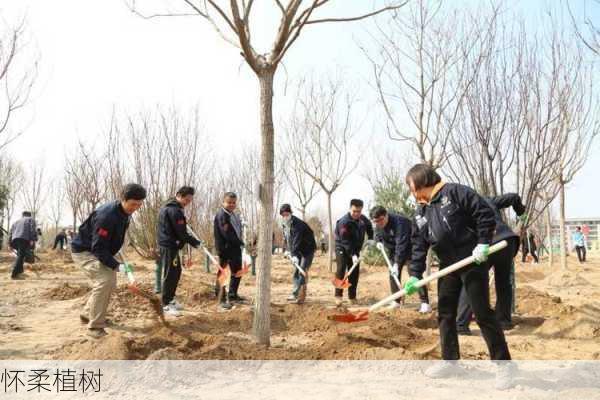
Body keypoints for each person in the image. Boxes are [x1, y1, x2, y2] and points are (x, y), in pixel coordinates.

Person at [402, 164, 513, 389]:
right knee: (445, 312)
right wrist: (414, 274)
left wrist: (482, 243)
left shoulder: (455, 192)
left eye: (410, 185)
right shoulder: (420, 211)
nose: (410, 190)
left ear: (420, 181)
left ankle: (504, 366)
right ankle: (450, 360)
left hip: (472, 260)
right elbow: (418, 245)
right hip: (447, 265)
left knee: (482, 313)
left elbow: (485, 214)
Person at [71, 183, 146, 338]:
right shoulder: (107, 216)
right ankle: (95, 328)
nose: (135, 208)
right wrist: (116, 265)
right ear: (123, 199)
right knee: (105, 280)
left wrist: (116, 256)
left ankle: (88, 313)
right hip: (85, 251)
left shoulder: (124, 213)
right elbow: (98, 248)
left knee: (110, 281)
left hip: (99, 250)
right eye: (133, 204)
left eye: (139, 205)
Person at [456, 193, 527, 335]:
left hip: (488, 242)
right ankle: (504, 321)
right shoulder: (486, 199)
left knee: (472, 281)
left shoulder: (459, 209)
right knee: (503, 282)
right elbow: (513, 197)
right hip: (507, 241)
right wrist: (521, 212)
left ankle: (461, 324)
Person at [370, 205, 431, 312]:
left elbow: (401, 244)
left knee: (414, 274)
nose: (379, 223)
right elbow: (377, 233)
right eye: (376, 221)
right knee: (393, 275)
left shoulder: (399, 222)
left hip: (410, 248)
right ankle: (396, 301)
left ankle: (425, 303)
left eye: (380, 220)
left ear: (386, 215)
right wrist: (378, 241)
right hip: (394, 250)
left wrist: (397, 263)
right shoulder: (378, 223)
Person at [157, 186, 202, 317]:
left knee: (176, 272)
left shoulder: (173, 208)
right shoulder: (174, 210)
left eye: (189, 200)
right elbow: (182, 233)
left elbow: (180, 230)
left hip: (172, 245)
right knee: (170, 273)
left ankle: (170, 299)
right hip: (169, 245)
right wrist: (196, 243)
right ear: (178, 195)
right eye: (186, 199)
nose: (187, 202)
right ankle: (165, 304)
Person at [334, 199, 374, 306]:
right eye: (354, 211)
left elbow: (370, 228)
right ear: (350, 209)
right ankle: (338, 295)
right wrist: (352, 255)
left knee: (354, 273)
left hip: (356, 248)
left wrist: (370, 239)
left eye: (359, 211)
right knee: (341, 269)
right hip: (341, 247)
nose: (356, 214)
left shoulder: (363, 219)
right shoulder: (344, 222)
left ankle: (352, 297)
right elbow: (345, 241)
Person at [280, 204, 317, 304]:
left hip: (307, 249)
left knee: (302, 270)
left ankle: (300, 295)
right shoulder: (284, 224)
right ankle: (296, 293)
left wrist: (294, 254)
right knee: (297, 270)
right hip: (298, 249)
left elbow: (296, 239)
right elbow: (288, 238)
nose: (285, 216)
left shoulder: (298, 224)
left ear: (291, 213)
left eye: (287, 214)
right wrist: (287, 250)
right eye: (283, 215)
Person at [214, 192, 245, 310]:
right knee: (223, 274)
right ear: (223, 202)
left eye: (233, 203)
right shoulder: (222, 215)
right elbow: (228, 234)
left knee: (238, 272)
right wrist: (241, 243)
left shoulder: (234, 215)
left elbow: (237, 230)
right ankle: (220, 299)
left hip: (236, 248)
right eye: (229, 202)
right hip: (226, 249)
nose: (232, 205)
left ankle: (233, 295)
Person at [7, 211, 38, 280]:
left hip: (14, 240)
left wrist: (9, 243)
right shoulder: (31, 219)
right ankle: (14, 274)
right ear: (29, 215)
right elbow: (32, 229)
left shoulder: (16, 221)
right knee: (21, 256)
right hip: (23, 239)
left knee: (21, 255)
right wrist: (33, 239)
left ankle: (20, 272)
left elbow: (11, 232)